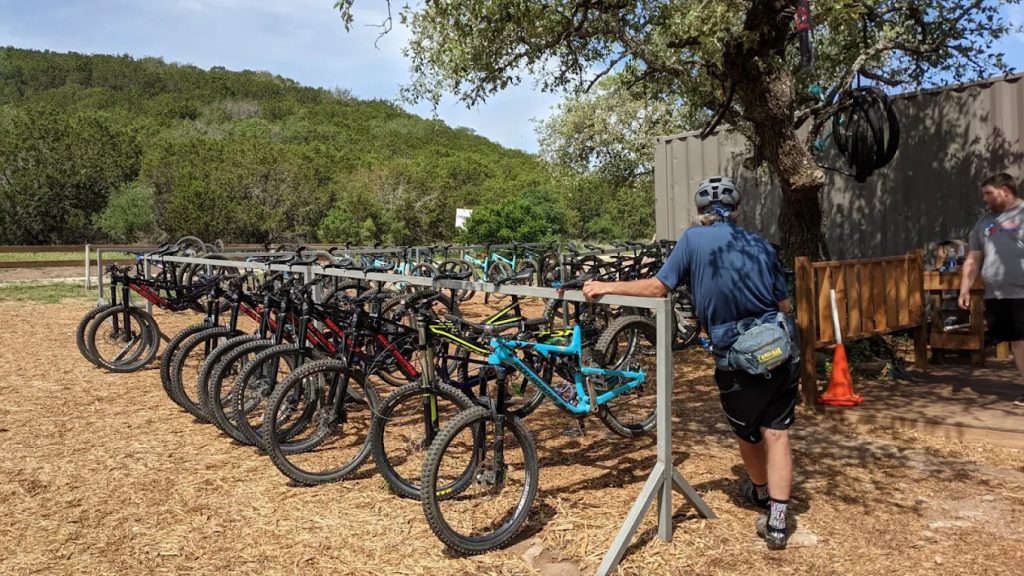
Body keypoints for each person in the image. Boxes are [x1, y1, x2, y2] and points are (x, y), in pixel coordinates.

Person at [582, 175, 798, 550]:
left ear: (700, 213)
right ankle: (778, 522)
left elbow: (657, 287)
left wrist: (606, 287)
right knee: (777, 433)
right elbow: (784, 307)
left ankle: (761, 491)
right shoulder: (761, 245)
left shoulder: (693, 239)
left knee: (748, 432)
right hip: (779, 349)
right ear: (737, 211)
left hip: (737, 355)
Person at [958, 172, 1024, 406]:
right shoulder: (984, 223)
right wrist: (965, 289)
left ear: (1005, 190)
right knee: (1016, 340)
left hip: (1022, 292)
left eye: (988, 194)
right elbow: (973, 259)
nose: (985, 199)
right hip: (997, 293)